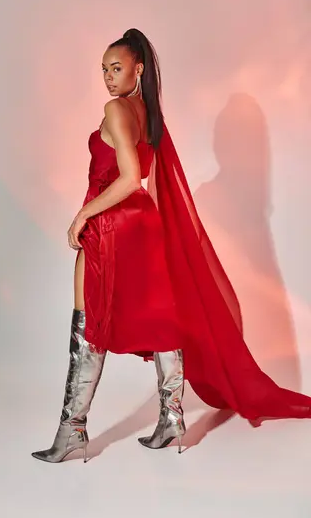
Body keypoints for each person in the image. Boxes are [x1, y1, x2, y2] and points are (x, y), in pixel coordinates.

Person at [31, 28, 311, 464]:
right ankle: (172, 420)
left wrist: (83, 214)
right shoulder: (147, 110)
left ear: (137, 69)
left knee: (89, 323)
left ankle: (72, 431)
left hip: (111, 227)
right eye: (104, 69)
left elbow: (128, 178)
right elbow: (143, 181)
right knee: (160, 319)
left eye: (117, 68)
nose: (108, 77)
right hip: (143, 223)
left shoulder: (116, 109)